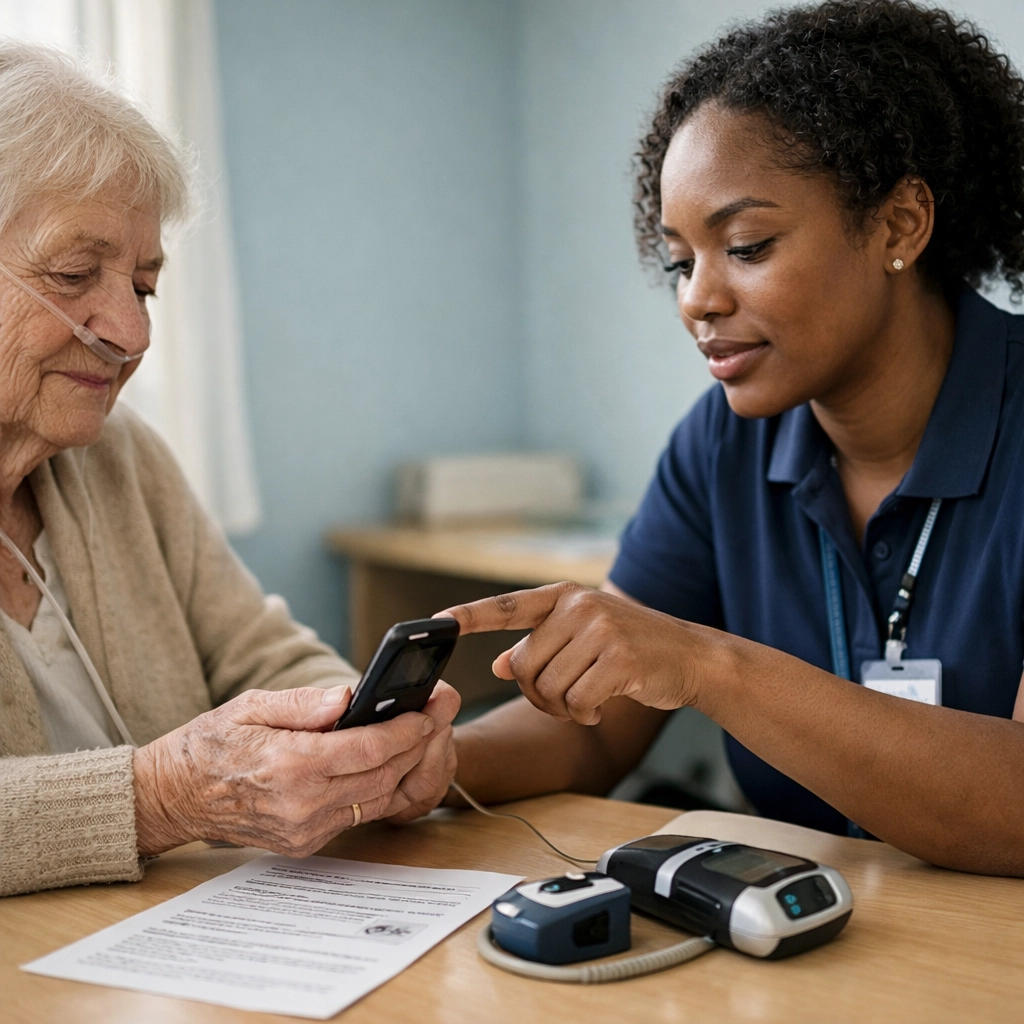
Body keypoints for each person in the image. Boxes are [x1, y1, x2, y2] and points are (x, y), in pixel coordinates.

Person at [444, 0, 1024, 876]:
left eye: (746, 245)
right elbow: (596, 739)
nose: (696, 300)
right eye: (680, 261)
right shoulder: (722, 444)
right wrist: (424, 766)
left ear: (901, 225)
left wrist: (710, 665)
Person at [0, 42, 458, 898]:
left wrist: (363, 745)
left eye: (144, 286)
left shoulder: (118, 453)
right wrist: (160, 799)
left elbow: (261, 655)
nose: (132, 334)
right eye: (73, 274)